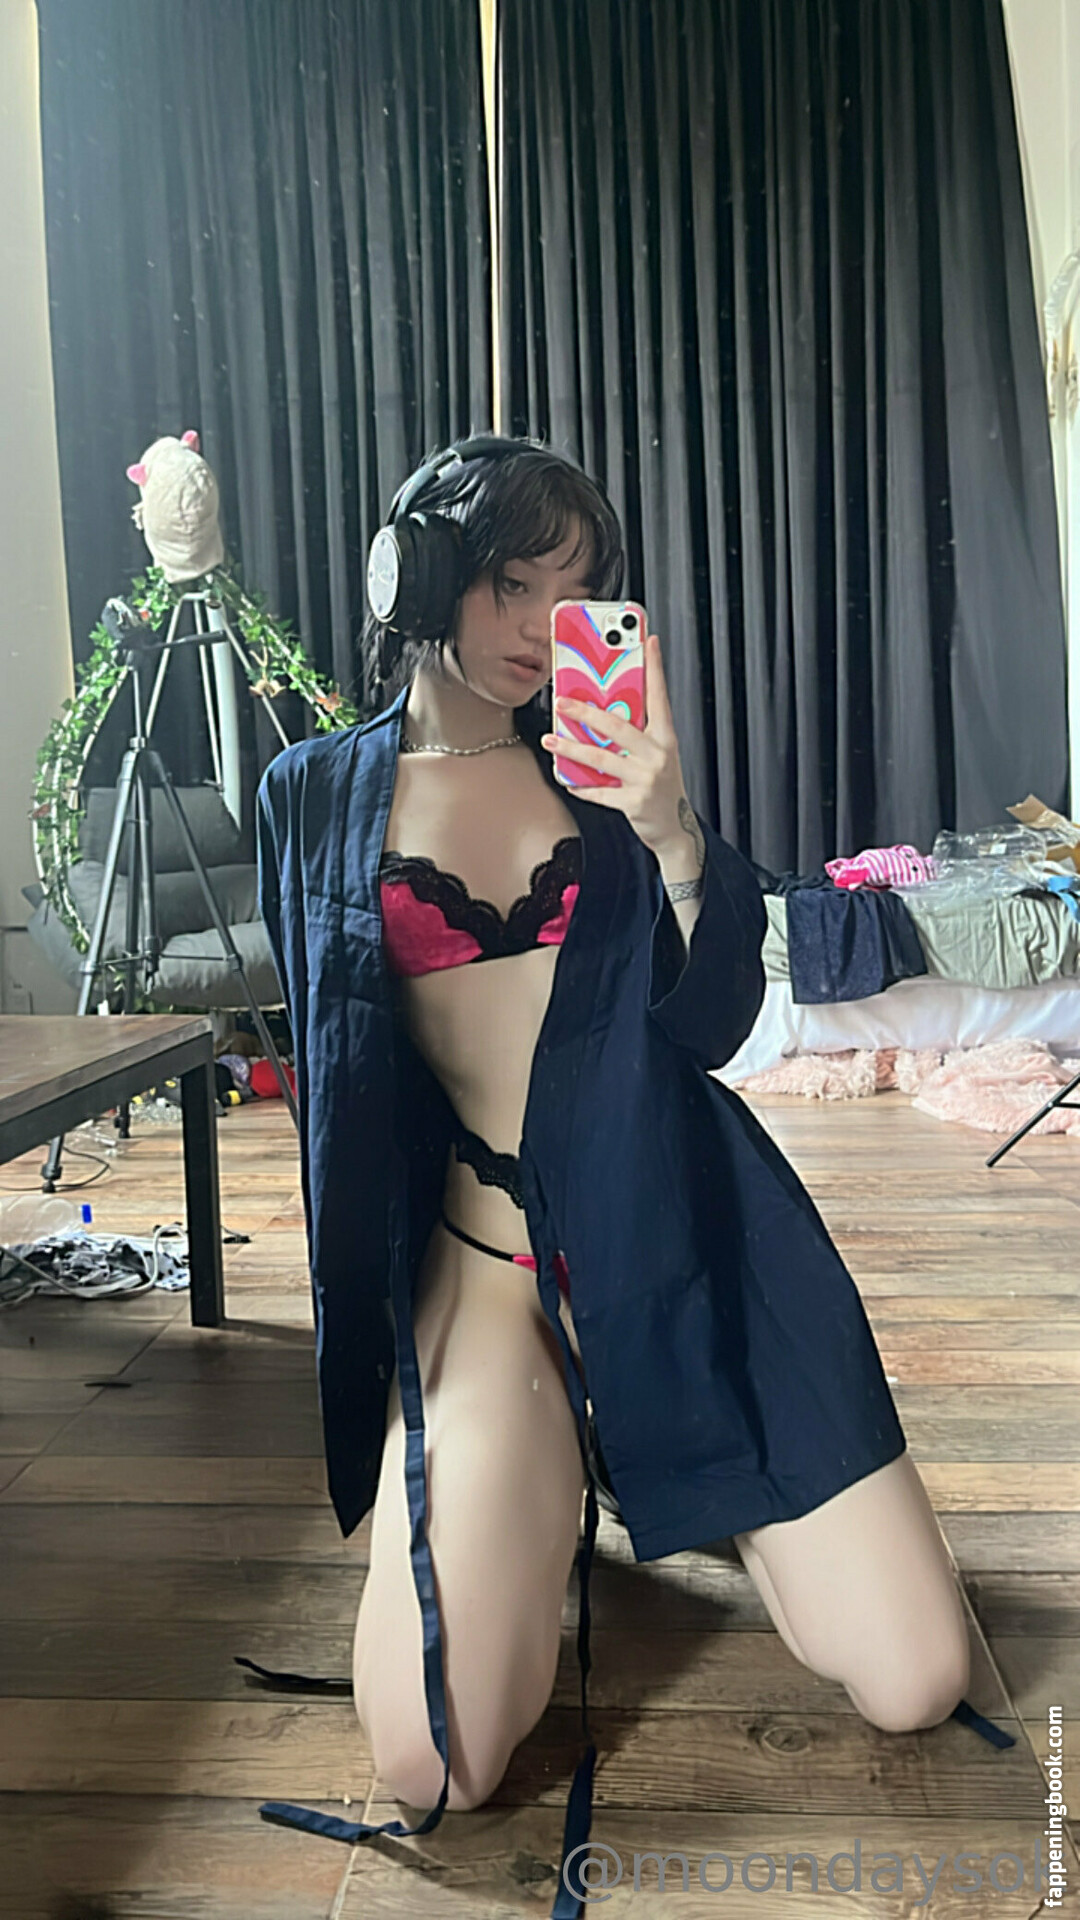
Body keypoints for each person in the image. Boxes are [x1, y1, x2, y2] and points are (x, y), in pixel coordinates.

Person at [255, 436, 977, 1902]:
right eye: (510, 583)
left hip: (676, 1233)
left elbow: (712, 1027)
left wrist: (675, 836)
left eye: (574, 593)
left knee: (919, 1678)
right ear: (417, 576)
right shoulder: (311, 795)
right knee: (435, 1766)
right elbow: (337, 1074)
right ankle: (537, 1460)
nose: (540, 628)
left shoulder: (609, 782)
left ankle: (656, 1455)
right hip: (482, 1275)